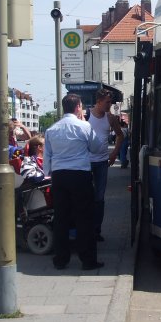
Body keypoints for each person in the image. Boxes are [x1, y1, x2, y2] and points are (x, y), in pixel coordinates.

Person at [44, 93, 106, 271]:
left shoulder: (52, 130)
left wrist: (48, 174)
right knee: (84, 218)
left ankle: (61, 259)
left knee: (61, 218)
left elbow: (47, 156)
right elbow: (96, 147)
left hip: (59, 176)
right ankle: (87, 260)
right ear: (78, 107)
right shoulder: (84, 126)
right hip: (79, 175)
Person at [87, 88, 124, 241]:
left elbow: (120, 135)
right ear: (98, 102)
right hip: (86, 162)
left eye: (110, 102)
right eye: (107, 102)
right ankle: (86, 228)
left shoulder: (110, 118)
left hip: (102, 162)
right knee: (87, 196)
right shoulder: (86, 116)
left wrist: (115, 153)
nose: (110, 105)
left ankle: (96, 230)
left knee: (99, 197)